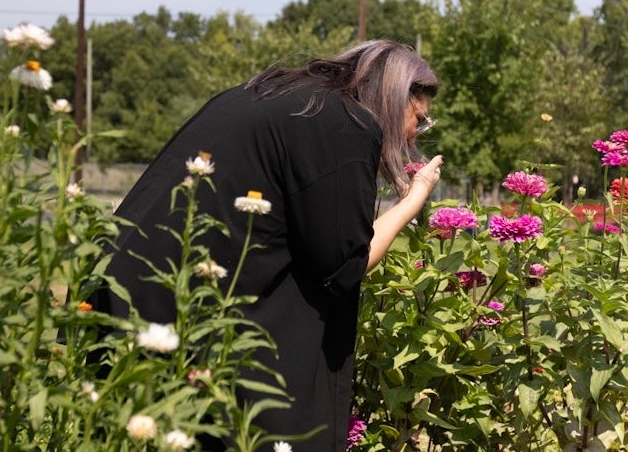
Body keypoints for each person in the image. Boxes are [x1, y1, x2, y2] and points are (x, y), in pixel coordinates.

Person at [89, 39, 443, 450]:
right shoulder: (343, 121)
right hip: (171, 317)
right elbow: (344, 263)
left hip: (129, 291)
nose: (416, 136)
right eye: (419, 119)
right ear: (392, 98)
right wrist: (414, 197)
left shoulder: (270, 94)